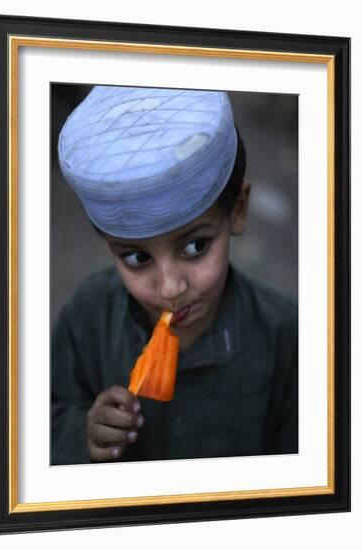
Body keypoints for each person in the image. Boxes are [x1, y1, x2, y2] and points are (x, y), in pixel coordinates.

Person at [52, 86, 298, 465]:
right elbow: (37, 419)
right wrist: (84, 432)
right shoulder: (88, 315)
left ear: (238, 210)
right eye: (136, 257)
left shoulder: (285, 334)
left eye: (196, 246)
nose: (170, 288)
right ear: (109, 247)